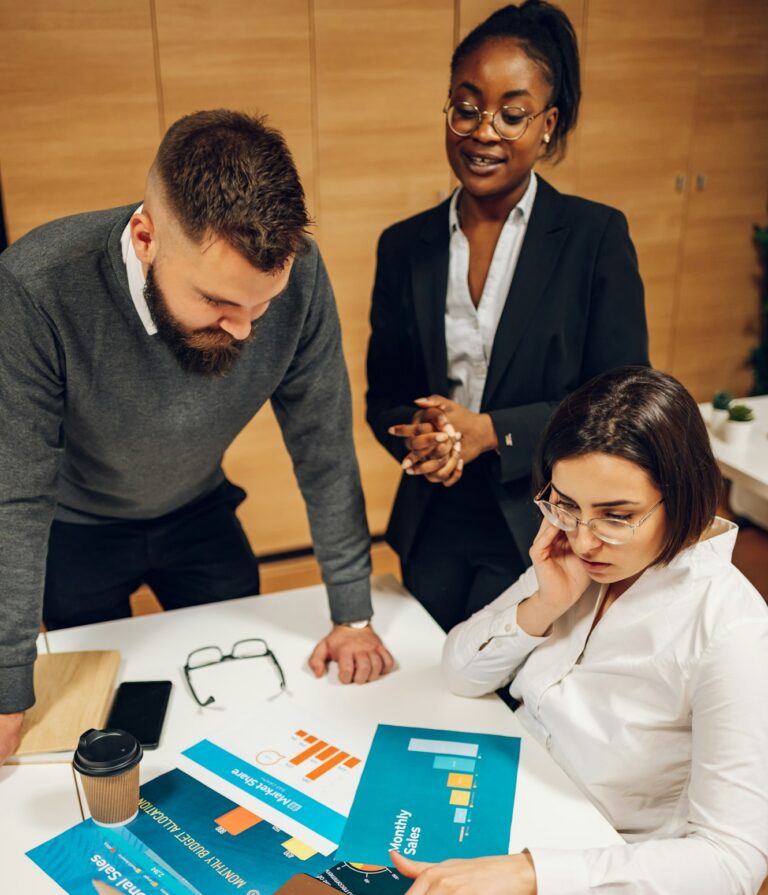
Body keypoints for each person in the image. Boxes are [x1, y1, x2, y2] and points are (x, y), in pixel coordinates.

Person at [0, 109, 394, 764]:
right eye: (218, 301)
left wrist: (353, 614)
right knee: (91, 718)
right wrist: (7, 685)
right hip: (76, 527)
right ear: (146, 237)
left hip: (199, 511)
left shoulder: (299, 275)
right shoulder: (36, 287)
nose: (245, 329)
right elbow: (17, 492)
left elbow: (322, 444)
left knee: (242, 694)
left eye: (262, 304)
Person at [390, 366, 768, 895]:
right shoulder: (574, 552)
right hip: (501, 799)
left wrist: (533, 873)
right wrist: (545, 603)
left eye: (616, 516)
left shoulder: (732, 630)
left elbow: (733, 861)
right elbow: (460, 671)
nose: (586, 542)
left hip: (597, 864)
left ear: (684, 493)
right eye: (566, 505)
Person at [366, 0, 649, 632]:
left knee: (511, 683)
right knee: (428, 674)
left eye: (511, 114)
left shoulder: (594, 237)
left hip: (545, 526)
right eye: (466, 108)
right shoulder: (404, 245)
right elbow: (383, 395)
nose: (483, 132)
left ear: (548, 124)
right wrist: (424, 436)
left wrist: (494, 432)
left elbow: (624, 404)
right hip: (430, 522)